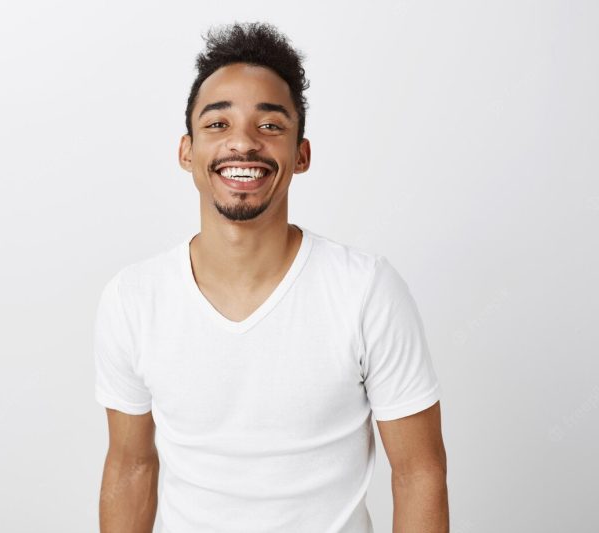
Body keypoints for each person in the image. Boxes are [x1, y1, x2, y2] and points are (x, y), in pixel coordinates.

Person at [93, 21, 448, 533]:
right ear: (186, 151)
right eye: (217, 124)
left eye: (271, 125)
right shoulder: (133, 298)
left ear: (300, 155)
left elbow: (419, 473)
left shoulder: (366, 290)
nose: (243, 143)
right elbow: (131, 466)